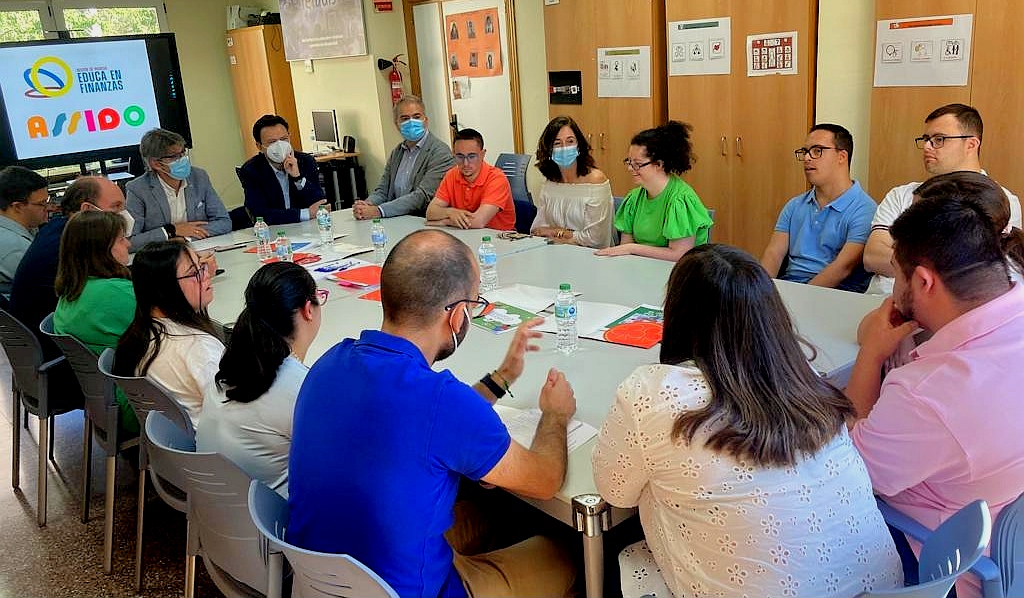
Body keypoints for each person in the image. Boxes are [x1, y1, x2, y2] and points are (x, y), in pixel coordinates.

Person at [594, 243, 902, 598]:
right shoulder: (810, 381)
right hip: (884, 590)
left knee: (626, 550)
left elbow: (614, 492)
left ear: (677, 314)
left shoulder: (653, 394)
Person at [289, 229, 576, 597]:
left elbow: (429, 425)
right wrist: (555, 415)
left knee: (498, 515)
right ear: (457, 317)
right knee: (564, 552)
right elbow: (545, 480)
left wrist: (501, 378)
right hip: (414, 589)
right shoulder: (443, 402)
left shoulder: (329, 363)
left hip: (325, 580)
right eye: (474, 305)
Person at [847, 172, 1024, 598]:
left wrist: (872, 355)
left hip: (948, 560)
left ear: (923, 281)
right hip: (1006, 524)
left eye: (897, 275)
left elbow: (849, 470)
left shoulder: (930, 393)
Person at [863, 103, 1022, 294]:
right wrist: (945, 267)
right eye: (926, 139)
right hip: (879, 300)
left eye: (939, 139)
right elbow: (872, 256)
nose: (927, 147)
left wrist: (906, 260)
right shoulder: (902, 194)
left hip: (950, 311)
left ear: (971, 144)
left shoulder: (1001, 200)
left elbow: (987, 273)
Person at [197, 262, 324, 498]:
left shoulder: (234, 359)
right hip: (270, 521)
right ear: (308, 309)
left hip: (214, 506)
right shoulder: (300, 387)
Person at [114, 240, 224, 427]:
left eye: (202, 266)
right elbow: (237, 413)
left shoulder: (141, 335)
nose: (206, 276)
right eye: (194, 272)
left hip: (174, 445)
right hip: (211, 448)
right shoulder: (197, 348)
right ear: (163, 287)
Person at [11, 176, 130, 343]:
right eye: (116, 207)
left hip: (59, 339)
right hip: (56, 344)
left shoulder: (58, 229)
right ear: (87, 209)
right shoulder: (70, 248)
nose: (123, 214)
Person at [760, 123, 877, 292]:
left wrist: (802, 297)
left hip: (833, 294)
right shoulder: (794, 205)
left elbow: (842, 268)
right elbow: (773, 254)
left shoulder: (865, 210)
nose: (807, 158)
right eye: (805, 152)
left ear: (841, 156)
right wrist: (761, 293)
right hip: (789, 288)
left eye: (817, 151)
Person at [53, 210, 138, 434]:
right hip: (136, 403)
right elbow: (175, 325)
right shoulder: (116, 293)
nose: (128, 244)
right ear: (100, 249)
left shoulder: (71, 291)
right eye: (121, 239)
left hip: (101, 403)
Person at [595, 121, 712, 261]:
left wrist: (632, 248)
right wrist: (629, 249)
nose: (630, 168)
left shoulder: (680, 199)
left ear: (659, 164)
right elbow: (625, 248)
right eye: (629, 162)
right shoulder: (634, 198)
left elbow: (679, 255)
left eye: (637, 164)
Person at [125, 128, 231, 251]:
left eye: (182, 153)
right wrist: (171, 231)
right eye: (174, 156)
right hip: (162, 258)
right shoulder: (137, 189)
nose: (182, 159)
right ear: (156, 164)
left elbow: (223, 221)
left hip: (200, 250)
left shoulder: (199, 176)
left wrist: (185, 239)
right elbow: (130, 241)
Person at [353, 95, 455, 219]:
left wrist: (379, 211)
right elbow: (383, 190)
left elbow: (422, 197)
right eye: (405, 118)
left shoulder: (440, 152)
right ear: (397, 124)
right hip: (397, 220)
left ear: (426, 120)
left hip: (422, 222)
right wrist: (367, 204)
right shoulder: (397, 152)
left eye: (417, 117)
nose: (411, 122)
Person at [530, 115, 614, 248]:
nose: (564, 148)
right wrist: (566, 235)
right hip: (555, 252)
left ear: (579, 145)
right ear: (548, 150)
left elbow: (595, 239)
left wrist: (555, 232)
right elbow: (538, 230)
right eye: (557, 143)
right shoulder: (550, 183)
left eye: (570, 141)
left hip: (591, 257)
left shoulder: (595, 181)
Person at [239, 114, 327, 225]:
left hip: (308, 228)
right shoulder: (251, 170)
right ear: (259, 146)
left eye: (284, 139)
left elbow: (320, 204)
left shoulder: (306, 161)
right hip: (275, 233)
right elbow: (260, 215)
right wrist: (305, 213)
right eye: (272, 142)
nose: (279, 145)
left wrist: (298, 177)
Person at [425, 128, 516, 231]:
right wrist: (451, 212)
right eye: (460, 156)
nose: (465, 163)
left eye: (471, 156)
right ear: (453, 154)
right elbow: (431, 212)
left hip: (499, 240)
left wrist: (445, 222)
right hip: (465, 235)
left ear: (482, 154)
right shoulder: (451, 174)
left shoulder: (497, 178)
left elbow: (478, 221)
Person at [0, 166, 50, 298]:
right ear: (17, 206)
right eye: (42, 204)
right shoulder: (14, 247)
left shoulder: (24, 228)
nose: (48, 208)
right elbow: (58, 283)